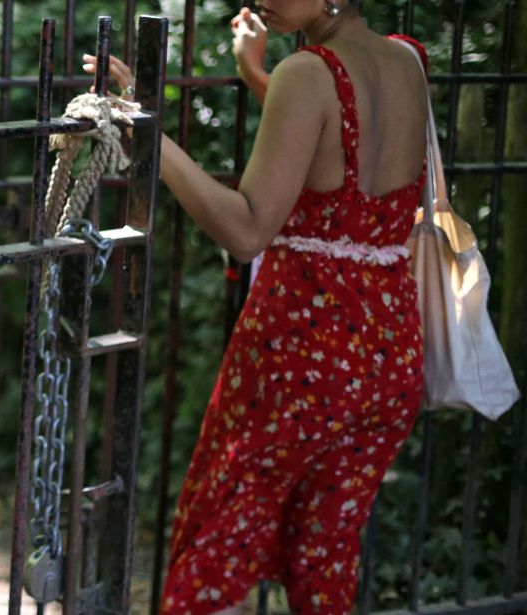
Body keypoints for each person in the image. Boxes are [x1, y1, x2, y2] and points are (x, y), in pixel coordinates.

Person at [85, 1, 428, 613]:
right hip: (389, 356)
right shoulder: (406, 60)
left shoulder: (308, 73)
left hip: (306, 355)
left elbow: (247, 233)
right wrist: (254, 74)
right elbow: (335, 146)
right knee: (324, 555)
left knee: (216, 542)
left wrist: (147, 135)